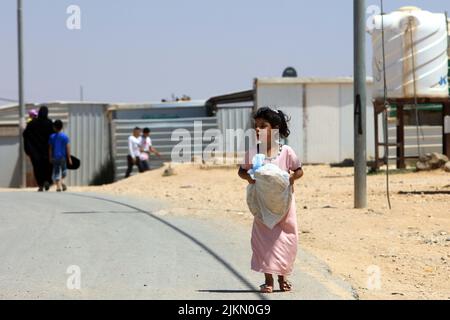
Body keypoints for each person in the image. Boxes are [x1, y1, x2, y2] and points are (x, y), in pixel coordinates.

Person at [238, 107, 304, 294]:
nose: (257, 129)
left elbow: (299, 170)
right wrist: (250, 178)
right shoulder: (253, 152)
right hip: (262, 204)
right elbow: (242, 171)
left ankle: (283, 279)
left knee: (286, 240)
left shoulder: (286, 151)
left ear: (275, 128)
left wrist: (290, 179)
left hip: (284, 204)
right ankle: (268, 280)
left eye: (263, 126)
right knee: (263, 241)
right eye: (256, 126)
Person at [23, 106, 54, 191]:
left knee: (37, 168)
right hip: (47, 151)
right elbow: (53, 136)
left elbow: (25, 135)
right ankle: (47, 181)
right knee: (48, 167)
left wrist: (27, 149)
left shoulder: (31, 123)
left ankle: (40, 184)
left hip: (35, 152)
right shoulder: (50, 123)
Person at [48, 120, 72, 192]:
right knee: (64, 171)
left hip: (55, 157)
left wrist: (50, 157)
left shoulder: (51, 137)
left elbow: (50, 148)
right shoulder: (65, 137)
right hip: (63, 157)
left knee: (56, 171)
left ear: (54, 127)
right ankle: (62, 181)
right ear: (62, 127)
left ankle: (58, 186)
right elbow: (67, 147)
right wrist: (69, 158)